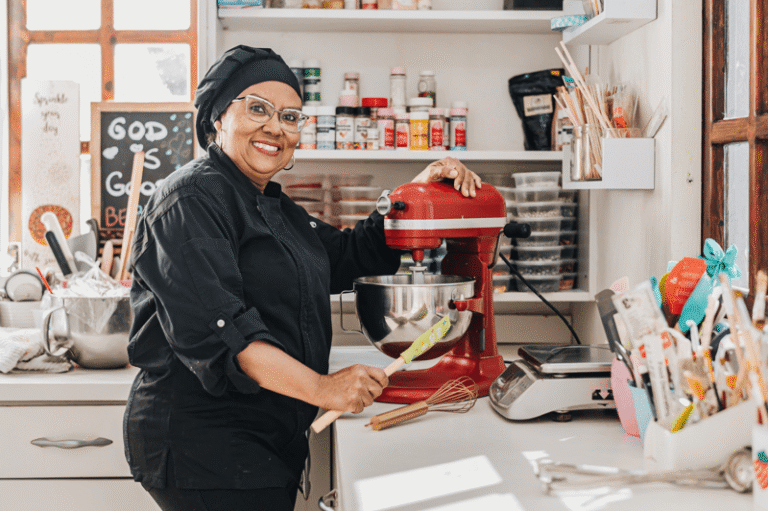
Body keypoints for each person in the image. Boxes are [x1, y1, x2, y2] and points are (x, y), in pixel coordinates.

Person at [123, 45, 482, 511]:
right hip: (207, 446)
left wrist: (416, 191)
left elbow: (347, 256)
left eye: (290, 116)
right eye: (257, 108)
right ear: (217, 117)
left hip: (262, 437)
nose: (275, 127)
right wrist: (323, 388)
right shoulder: (190, 200)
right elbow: (222, 332)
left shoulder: (272, 206)